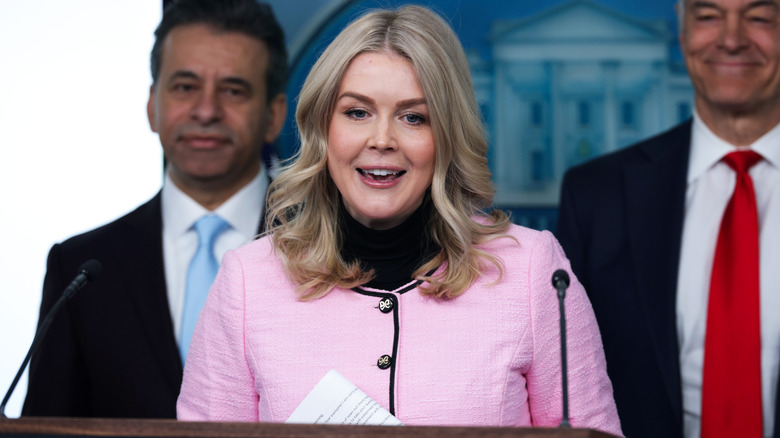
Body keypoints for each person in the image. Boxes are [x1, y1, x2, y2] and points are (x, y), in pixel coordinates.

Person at [176, 5, 622, 434]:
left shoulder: (533, 271)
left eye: (413, 117)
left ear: (446, 134)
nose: (382, 139)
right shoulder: (248, 281)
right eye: (357, 112)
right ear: (323, 129)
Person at [22, 0, 287, 418]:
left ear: (274, 115)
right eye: (185, 87)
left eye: (233, 90)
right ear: (152, 105)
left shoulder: (332, 246)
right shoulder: (78, 268)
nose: (206, 111)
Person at [556, 0, 780, 436]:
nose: (731, 39)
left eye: (759, 17)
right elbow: (567, 382)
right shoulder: (594, 196)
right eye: (708, 15)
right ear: (681, 33)